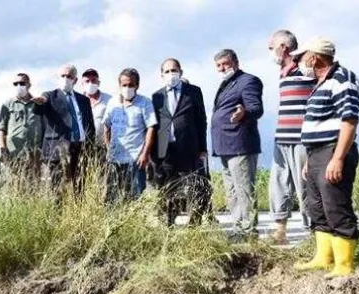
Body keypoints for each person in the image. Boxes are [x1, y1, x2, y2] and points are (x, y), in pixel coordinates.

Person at [291, 38, 359, 278]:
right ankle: (324, 257)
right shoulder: (320, 82)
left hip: (333, 150)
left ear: (315, 57)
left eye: (302, 57)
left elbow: (349, 120)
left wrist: (338, 158)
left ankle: (344, 264)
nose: (299, 61)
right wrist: (311, 159)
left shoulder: (342, 79)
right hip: (316, 153)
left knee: (336, 205)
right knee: (316, 206)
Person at [268, 30, 316, 244]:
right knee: (278, 185)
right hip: (282, 138)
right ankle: (280, 232)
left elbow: (319, 54)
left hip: (300, 139)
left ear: (283, 47)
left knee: (304, 187)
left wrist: (301, 54)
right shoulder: (284, 72)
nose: (270, 52)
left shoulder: (305, 69)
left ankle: (314, 235)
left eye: (271, 48)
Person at [211, 49, 264, 239]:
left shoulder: (248, 81)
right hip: (224, 145)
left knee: (244, 190)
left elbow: (256, 108)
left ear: (235, 62)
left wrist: (245, 113)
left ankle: (249, 231)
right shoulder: (226, 84)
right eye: (218, 65)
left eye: (225, 63)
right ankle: (238, 228)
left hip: (240, 143)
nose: (222, 68)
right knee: (232, 192)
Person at [150, 58, 211, 226]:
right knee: (167, 187)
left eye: (174, 70)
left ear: (181, 72)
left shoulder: (193, 91)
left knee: (195, 185)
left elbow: (201, 120)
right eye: (167, 71)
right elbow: (155, 124)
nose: (171, 74)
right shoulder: (157, 96)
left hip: (189, 147)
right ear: (162, 74)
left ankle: (195, 222)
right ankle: (168, 221)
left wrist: (203, 147)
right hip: (166, 150)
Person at [34, 64, 96, 199]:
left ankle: (77, 217)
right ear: (58, 78)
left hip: (80, 147)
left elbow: (89, 125)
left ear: (75, 80)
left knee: (79, 189)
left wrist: (90, 147)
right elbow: (40, 107)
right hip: (58, 149)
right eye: (63, 76)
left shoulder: (83, 100)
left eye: (69, 76)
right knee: (58, 191)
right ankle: (58, 218)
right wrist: (39, 102)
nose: (66, 79)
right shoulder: (50, 96)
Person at [102, 68, 157, 204]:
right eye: (124, 85)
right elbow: (106, 126)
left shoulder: (145, 103)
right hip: (114, 160)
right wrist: (109, 148)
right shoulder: (112, 103)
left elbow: (151, 128)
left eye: (131, 85)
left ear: (137, 85)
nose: (127, 88)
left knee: (134, 198)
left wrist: (145, 154)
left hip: (136, 159)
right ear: (119, 85)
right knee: (112, 199)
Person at [0, 73, 44, 189]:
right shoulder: (8, 104)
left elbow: (44, 126)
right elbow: (1, 128)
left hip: (34, 151)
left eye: (22, 83)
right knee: (16, 184)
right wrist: (2, 148)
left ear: (29, 85)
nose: (19, 85)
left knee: (34, 183)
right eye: (16, 83)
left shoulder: (37, 103)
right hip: (14, 151)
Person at [82, 68, 112, 163]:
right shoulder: (78, 100)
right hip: (82, 147)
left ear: (98, 83)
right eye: (87, 81)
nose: (90, 83)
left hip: (103, 147)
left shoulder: (109, 100)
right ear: (82, 84)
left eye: (93, 80)